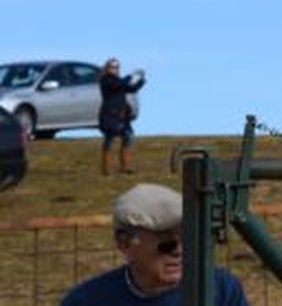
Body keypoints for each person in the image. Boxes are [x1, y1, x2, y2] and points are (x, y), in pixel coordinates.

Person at [60, 183, 250, 306]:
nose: (179, 250)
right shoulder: (87, 301)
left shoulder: (221, 289)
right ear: (125, 243)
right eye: (166, 241)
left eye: (186, 237)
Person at [97, 59, 145, 176]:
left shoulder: (118, 80)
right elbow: (118, 85)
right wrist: (131, 75)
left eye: (117, 67)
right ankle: (106, 169)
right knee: (109, 140)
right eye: (113, 67)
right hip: (110, 115)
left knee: (128, 137)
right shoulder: (105, 80)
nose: (115, 69)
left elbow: (130, 89)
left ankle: (126, 166)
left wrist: (141, 81)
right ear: (107, 68)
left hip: (122, 115)